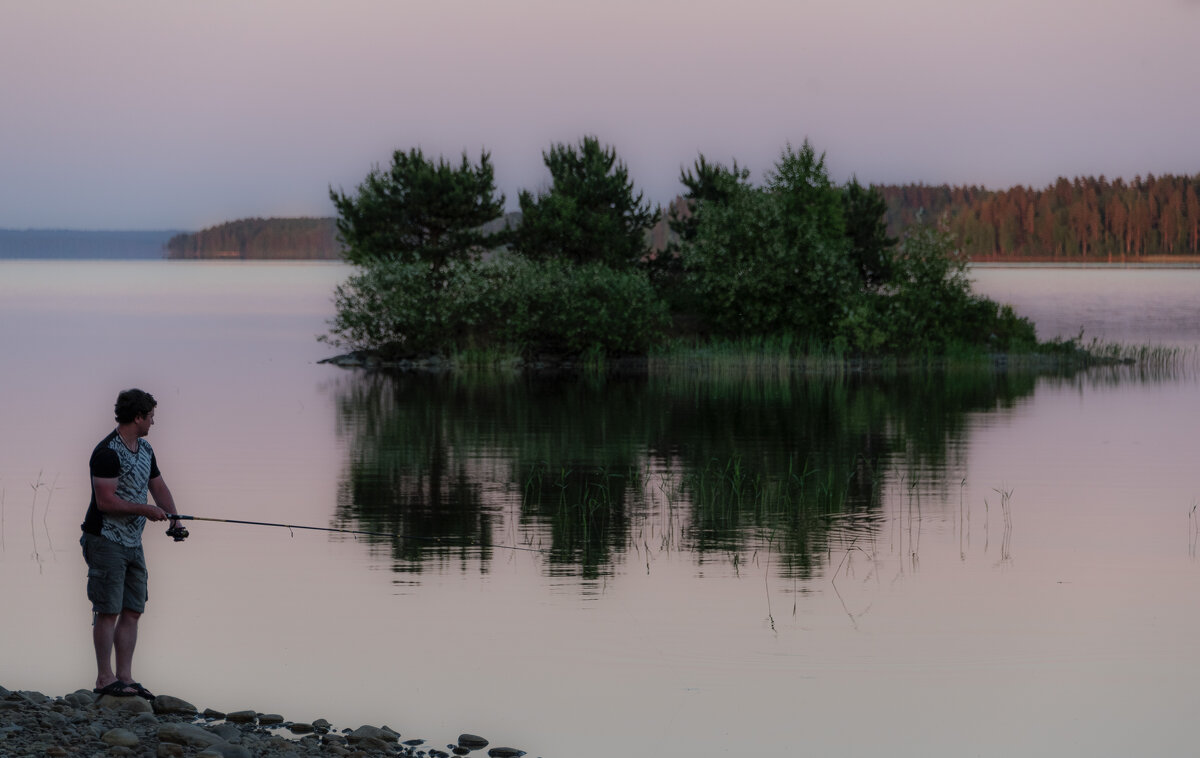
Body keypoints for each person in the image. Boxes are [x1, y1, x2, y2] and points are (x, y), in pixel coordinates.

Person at [80, 388, 185, 699]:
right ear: (138, 417)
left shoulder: (146, 449)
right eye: (151, 416)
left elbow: (158, 486)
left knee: (132, 609)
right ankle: (104, 678)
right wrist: (146, 510)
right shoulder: (107, 453)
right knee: (107, 610)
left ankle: (125, 677)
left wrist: (174, 518)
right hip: (104, 540)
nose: (154, 421)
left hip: (132, 542)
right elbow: (105, 501)